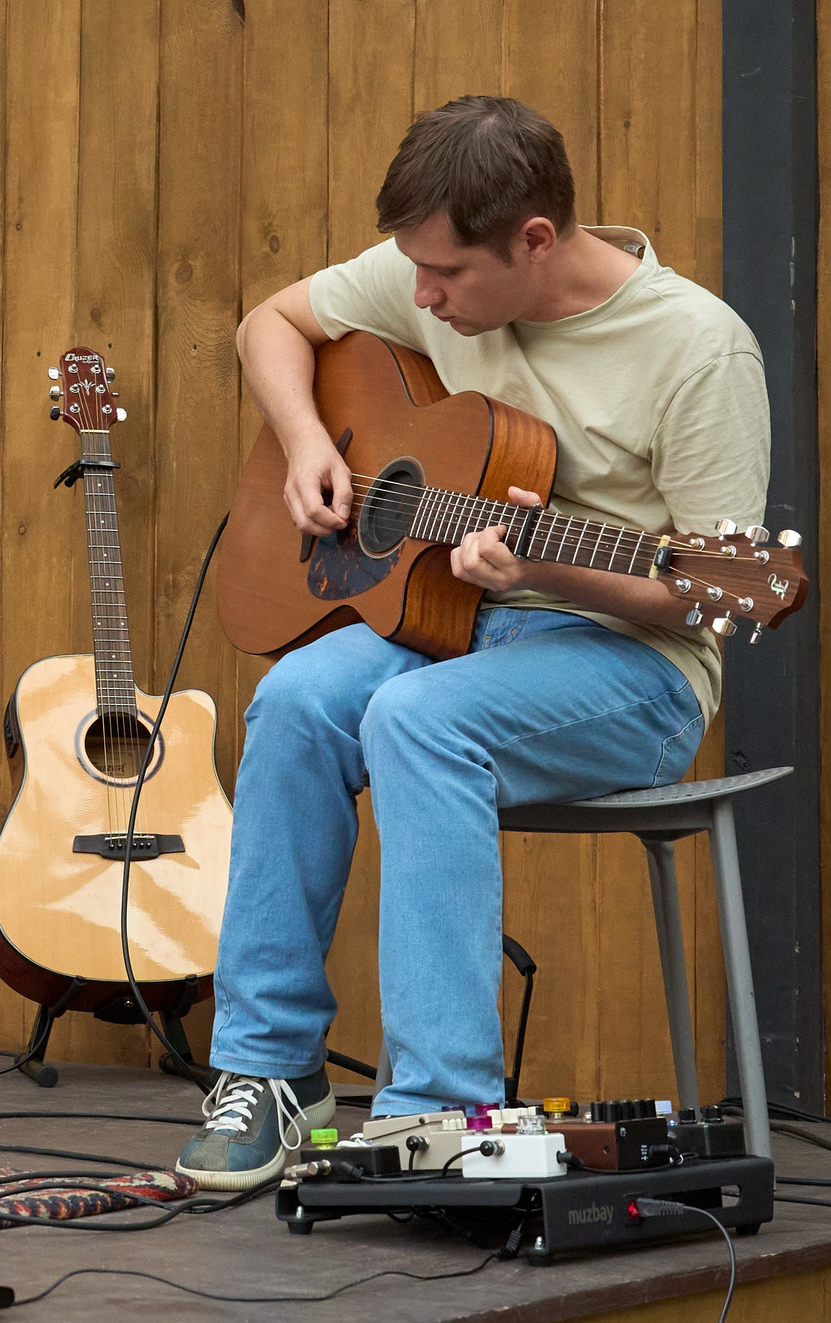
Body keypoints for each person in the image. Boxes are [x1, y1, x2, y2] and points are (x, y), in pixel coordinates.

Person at [174, 95, 771, 1191]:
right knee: (301, 698)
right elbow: (272, 323)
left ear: (533, 241)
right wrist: (309, 442)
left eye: (444, 276)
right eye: (413, 271)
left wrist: (540, 568)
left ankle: (438, 1111)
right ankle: (269, 1072)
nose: (420, 297)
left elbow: (705, 594)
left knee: (413, 718)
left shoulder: (697, 349)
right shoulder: (442, 277)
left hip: (628, 667)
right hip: (459, 621)